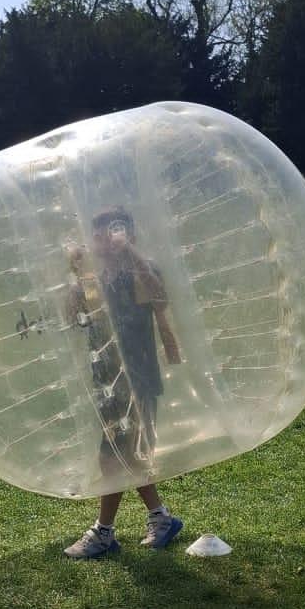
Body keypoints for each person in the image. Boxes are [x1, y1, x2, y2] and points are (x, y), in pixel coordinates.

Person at [63, 205, 184, 559]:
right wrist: (76, 274)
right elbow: (72, 318)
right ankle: (159, 518)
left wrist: (131, 254)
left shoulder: (141, 270)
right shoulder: (94, 279)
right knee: (124, 453)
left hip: (138, 376)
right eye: (99, 235)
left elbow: (160, 298)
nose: (104, 242)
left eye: (113, 233)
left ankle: (104, 532)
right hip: (106, 380)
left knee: (116, 453)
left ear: (129, 236)